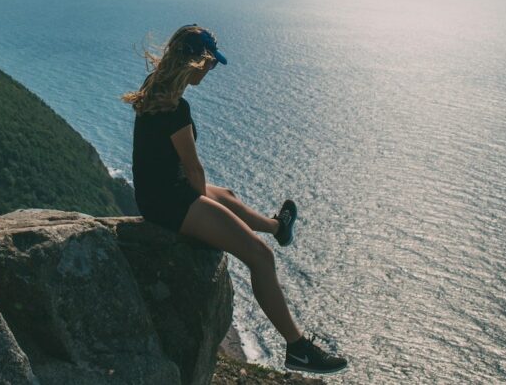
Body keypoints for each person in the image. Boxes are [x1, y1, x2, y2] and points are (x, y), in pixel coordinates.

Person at [120, 23, 348, 375]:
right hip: (172, 202)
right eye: (210, 64)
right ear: (196, 61)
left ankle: (277, 226)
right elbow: (194, 171)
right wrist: (205, 212)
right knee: (260, 256)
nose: (212, 71)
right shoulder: (176, 110)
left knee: (226, 195)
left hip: (156, 193)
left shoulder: (154, 90)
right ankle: (297, 347)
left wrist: (213, 203)